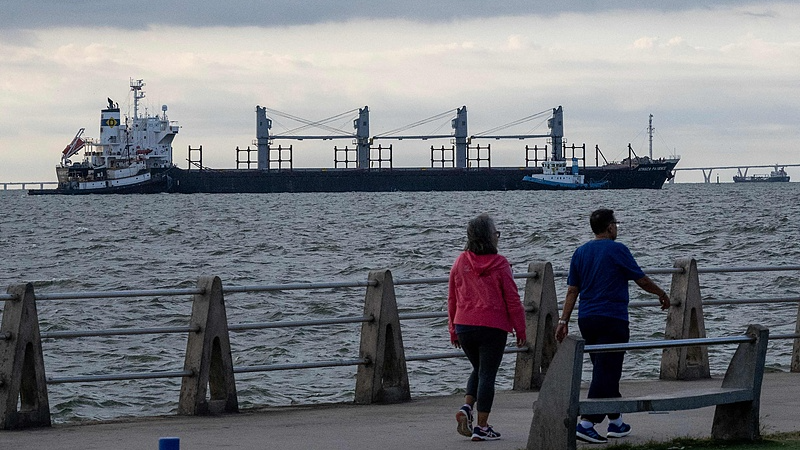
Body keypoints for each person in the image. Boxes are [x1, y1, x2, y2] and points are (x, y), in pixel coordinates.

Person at [555, 208, 670, 444]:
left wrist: (563, 320)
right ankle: (587, 423)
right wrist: (661, 293)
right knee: (607, 371)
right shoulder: (618, 250)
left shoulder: (580, 252)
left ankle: (616, 421)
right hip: (612, 318)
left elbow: (572, 290)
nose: (616, 227)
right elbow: (641, 279)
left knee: (604, 370)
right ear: (609, 227)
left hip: (587, 319)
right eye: (615, 224)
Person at [447, 214, 527, 441]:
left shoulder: (460, 261)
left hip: (464, 325)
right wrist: (520, 329)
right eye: (496, 233)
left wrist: (453, 328)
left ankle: (466, 408)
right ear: (490, 237)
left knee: (480, 368)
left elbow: (452, 298)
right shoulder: (500, 264)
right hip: (493, 327)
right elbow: (512, 299)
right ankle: (482, 426)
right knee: (487, 374)